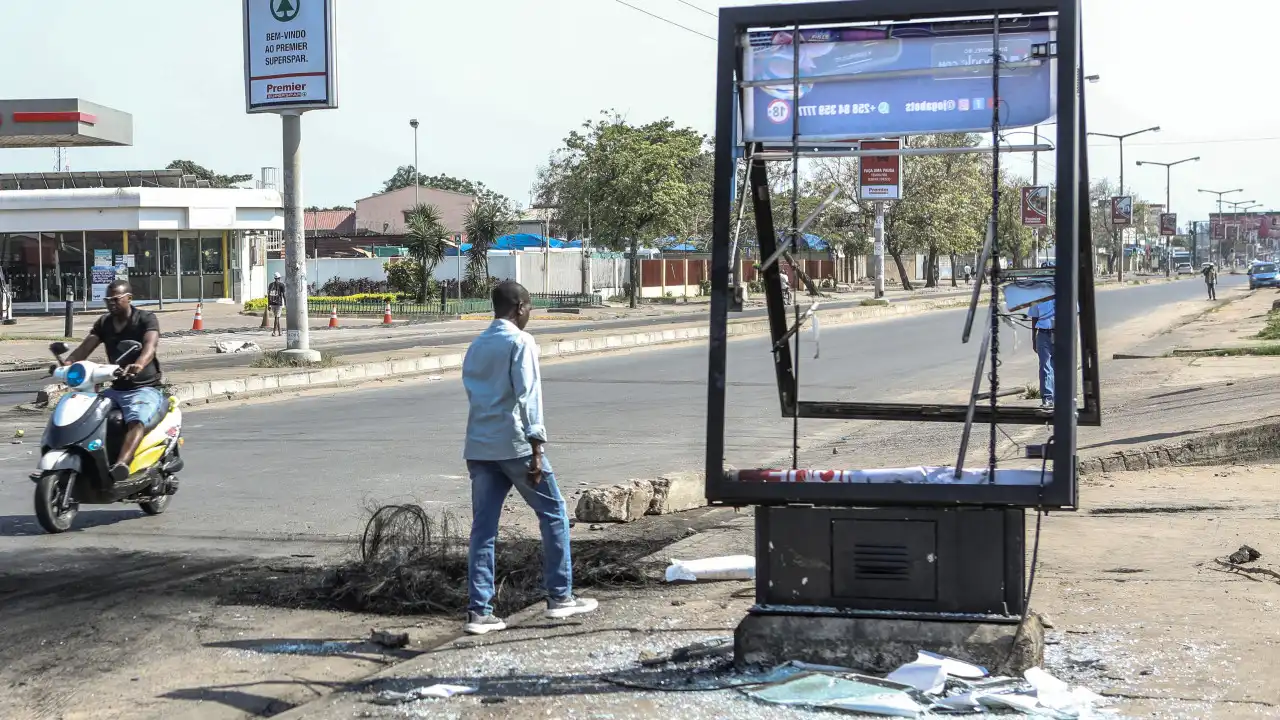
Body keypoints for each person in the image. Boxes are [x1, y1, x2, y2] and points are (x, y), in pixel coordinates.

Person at [460, 280, 596, 635]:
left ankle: (480, 612)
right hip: (516, 446)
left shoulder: (476, 345)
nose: (529, 316)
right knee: (554, 513)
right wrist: (537, 449)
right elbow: (528, 396)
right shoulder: (520, 342)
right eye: (529, 309)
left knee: (483, 530)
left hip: (479, 446)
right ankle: (560, 596)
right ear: (519, 307)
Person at [59, 280, 165, 483]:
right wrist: (67, 364)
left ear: (129, 298)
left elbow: (149, 346)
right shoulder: (104, 322)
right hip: (116, 388)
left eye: (116, 299)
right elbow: (84, 348)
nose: (111, 304)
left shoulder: (145, 318)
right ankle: (89, 460)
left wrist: (139, 364)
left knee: (136, 419)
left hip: (144, 388)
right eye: (108, 300)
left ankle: (122, 464)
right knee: (87, 413)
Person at [1027, 296, 1055, 409]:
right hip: (1043, 334)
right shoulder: (1038, 294)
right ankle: (1047, 399)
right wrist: (1033, 338)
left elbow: (1074, 314)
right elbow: (1034, 317)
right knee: (1045, 366)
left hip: (1062, 332)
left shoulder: (1066, 290)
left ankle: (1062, 398)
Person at [267, 272, 286, 337]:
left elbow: (269, 295)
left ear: (274, 278)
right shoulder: (282, 285)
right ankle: (274, 332)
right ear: (279, 278)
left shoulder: (270, 285)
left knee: (277, 317)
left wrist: (269, 304)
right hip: (278, 303)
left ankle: (280, 332)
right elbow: (283, 295)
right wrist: (286, 303)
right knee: (276, 317)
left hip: (272, 303)